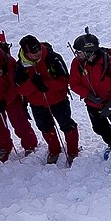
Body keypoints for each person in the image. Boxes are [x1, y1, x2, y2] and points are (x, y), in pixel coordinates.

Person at [15, 35, 81, 165]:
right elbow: (19, 90)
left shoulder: (53, 57)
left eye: (39, 48)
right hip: (37, 103)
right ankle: (54, 150)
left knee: (67, 125)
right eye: (34, 52)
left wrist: (46, 85)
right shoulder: (20, 66)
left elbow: (64, 80)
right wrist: (32, 83)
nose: (38, 52)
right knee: (45, 127)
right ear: (26, 53)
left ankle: (73, 151)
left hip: (58, 100)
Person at [69, 33, 111, 154]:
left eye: (79, 52)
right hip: (92, 104)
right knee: (99, 127)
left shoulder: (109, 62)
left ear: (89, 52)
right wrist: (89, 95)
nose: (76, 54)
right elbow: (74, 84)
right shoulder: (77, 63)